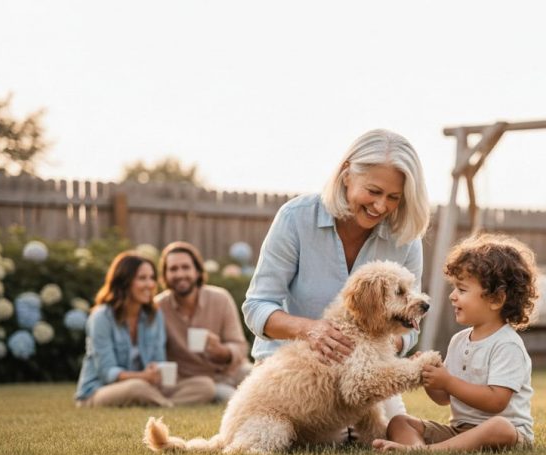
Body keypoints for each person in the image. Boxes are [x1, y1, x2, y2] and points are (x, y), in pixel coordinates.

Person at [242, 129, 431, 421]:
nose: (381, 206)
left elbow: (410, 325)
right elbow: (257, 306)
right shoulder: (295, 218)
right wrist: (310, 330)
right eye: (373, 191)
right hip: (292, 377)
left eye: (394, 197)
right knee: (327, 433)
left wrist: (368, 351)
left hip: (369, 370)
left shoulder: (405, 237)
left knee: (397, 429)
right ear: (346, 175)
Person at [372, 233, 538, 452]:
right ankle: (416, 449)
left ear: (496, 299)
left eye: (462, 289)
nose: (452, 296)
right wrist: (430, 378)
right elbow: (444, 399)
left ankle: (424, 452)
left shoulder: (507, 345)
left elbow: (496, 401)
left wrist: (448, 381)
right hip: (460, 431)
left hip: (505, 434)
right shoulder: (459, 341)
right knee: (399, 421)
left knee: (500, 426)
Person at [74, 251, 214, 407]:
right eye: (142, 278)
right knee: (136, 387)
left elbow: (159, 360)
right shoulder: (101, 317)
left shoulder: (153, 315)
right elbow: (107, 373)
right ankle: (167, 406)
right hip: (99, 391)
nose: (150, 284)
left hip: (146, 386)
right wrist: (142, 376)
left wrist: (156, 370)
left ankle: (160, 403)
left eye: (152, 278)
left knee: (205, 385)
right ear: (124, 282)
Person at [155, 241, 252, 403]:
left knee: (260, 377)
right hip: (195, 381)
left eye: (185, 267)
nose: (180, 274)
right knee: (233, 398)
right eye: (173, 269)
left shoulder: (221, 298)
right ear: (165, 275)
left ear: (198, 271)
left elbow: (240, 346)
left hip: (231, 371)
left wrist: (223, 351)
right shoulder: (158, 307)